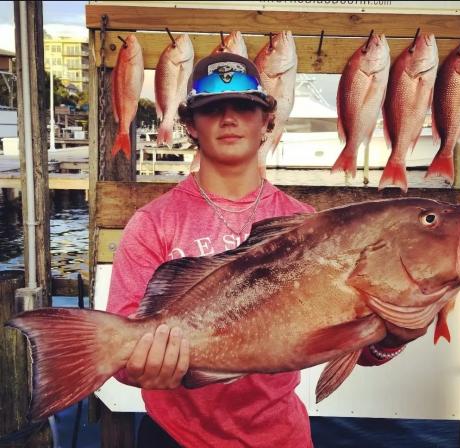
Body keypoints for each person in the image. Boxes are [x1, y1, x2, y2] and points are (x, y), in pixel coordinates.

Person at [106, 52, 414, 448]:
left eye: (245, 107)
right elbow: (118, 349)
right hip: (174, 436)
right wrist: (141, 367)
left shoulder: (304, 223)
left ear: (267, 119)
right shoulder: (152, 223)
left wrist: (394, 338)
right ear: (190, 125)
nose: (229, 118)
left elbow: (356, 345)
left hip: (281, 437)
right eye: (213, 108)